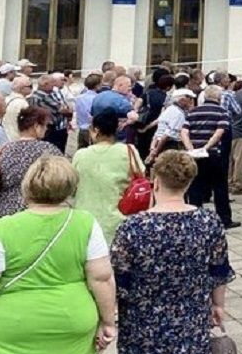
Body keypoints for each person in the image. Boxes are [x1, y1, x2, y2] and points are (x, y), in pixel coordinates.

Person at [111, 150, 235, 354]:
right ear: (188, 183)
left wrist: (108, 317)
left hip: (142, 330)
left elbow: (118, 278)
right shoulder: (208, 221)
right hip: (192, 325)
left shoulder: (132, 227)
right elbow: (219, 269)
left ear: (155, 181)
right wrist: (218, 305)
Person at [0, 155, 116, 354]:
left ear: (27, 186)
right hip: (70, 329)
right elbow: (101, 278)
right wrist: (108, 322)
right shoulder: (85, 223)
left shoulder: (3, 228)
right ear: (70, 188)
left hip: (12, 332)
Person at [73, 110, 144, 242]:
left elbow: (72, 186)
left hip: (84, 221)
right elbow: (141, 175)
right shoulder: (128, 151)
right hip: (118, 221)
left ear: (96, 130)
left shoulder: (80, 155)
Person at [182, 86, 241, 230]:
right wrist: (207, 147)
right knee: (220, 187)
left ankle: (195, 219)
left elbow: (184, 131)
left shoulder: (193, 112)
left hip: (196, 155)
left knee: (195, 187)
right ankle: (224, 220)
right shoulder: (222, 112)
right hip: (215, 154)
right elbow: (219, 132)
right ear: (219, 98)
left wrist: (191, 149)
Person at [0, 107, 62, 218]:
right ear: (36, 126)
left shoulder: (4, 149)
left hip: (4, 209)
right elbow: (63, 176)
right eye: (45, 125)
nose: (46, 129)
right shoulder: (48, 150)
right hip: (37, 209)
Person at [147, 88, 196, 164]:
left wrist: (153, 148)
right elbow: (167, 135)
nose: (192, 102)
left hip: (159, 144)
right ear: (182, 100)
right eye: (190, 99)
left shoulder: (168, 109)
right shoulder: (178, 114)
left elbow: (158, 132)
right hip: (170, 145)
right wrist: (156, 152)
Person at [134, 72, 173, 160]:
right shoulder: (167, 98)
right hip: (155, 128)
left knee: (141, 151)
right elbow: (161, 117)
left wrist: (136, 113)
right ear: (168, 87)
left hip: (142, 124)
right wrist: (148, 127)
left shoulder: (148, 93)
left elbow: (138, 102)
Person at [28, 74, 72, 153]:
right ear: (45, 84)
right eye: (52, 83)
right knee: (56, 152)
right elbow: (63, 110)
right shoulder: (44, 96)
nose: (54, 85)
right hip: (52, 130)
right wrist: (68, 110)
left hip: (44, 128)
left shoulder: (34, 95)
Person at [74, 73, 102, 149]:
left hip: (81, 128)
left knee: (81, 150)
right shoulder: (97, 98)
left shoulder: (79, 98)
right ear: (97, 85)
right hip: (92, 129)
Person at [4, 75, 32, 141]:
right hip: (18, 138)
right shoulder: (22, 103)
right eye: (30, 86)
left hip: (6, 136)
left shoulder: (6, 99)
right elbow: (27, 123)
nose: (31, 89)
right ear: (21, 88)